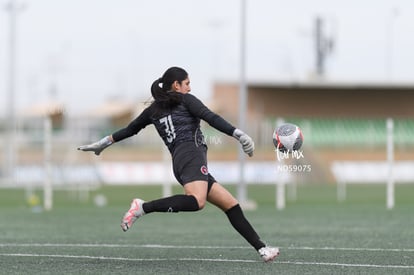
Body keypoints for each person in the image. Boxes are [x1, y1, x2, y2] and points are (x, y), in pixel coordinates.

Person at [78, 67, 279, 262]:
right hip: (191, 155)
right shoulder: (186, 100)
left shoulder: (153, 110)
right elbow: (211, 118)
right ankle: (143, 207)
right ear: (176, 85)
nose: (189, 88)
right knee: (197, 202)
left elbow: (129, 130)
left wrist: (103, 144)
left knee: (231, 205)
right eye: (187, 83)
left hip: (181, 160)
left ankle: (262, 248)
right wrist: (239, 134)